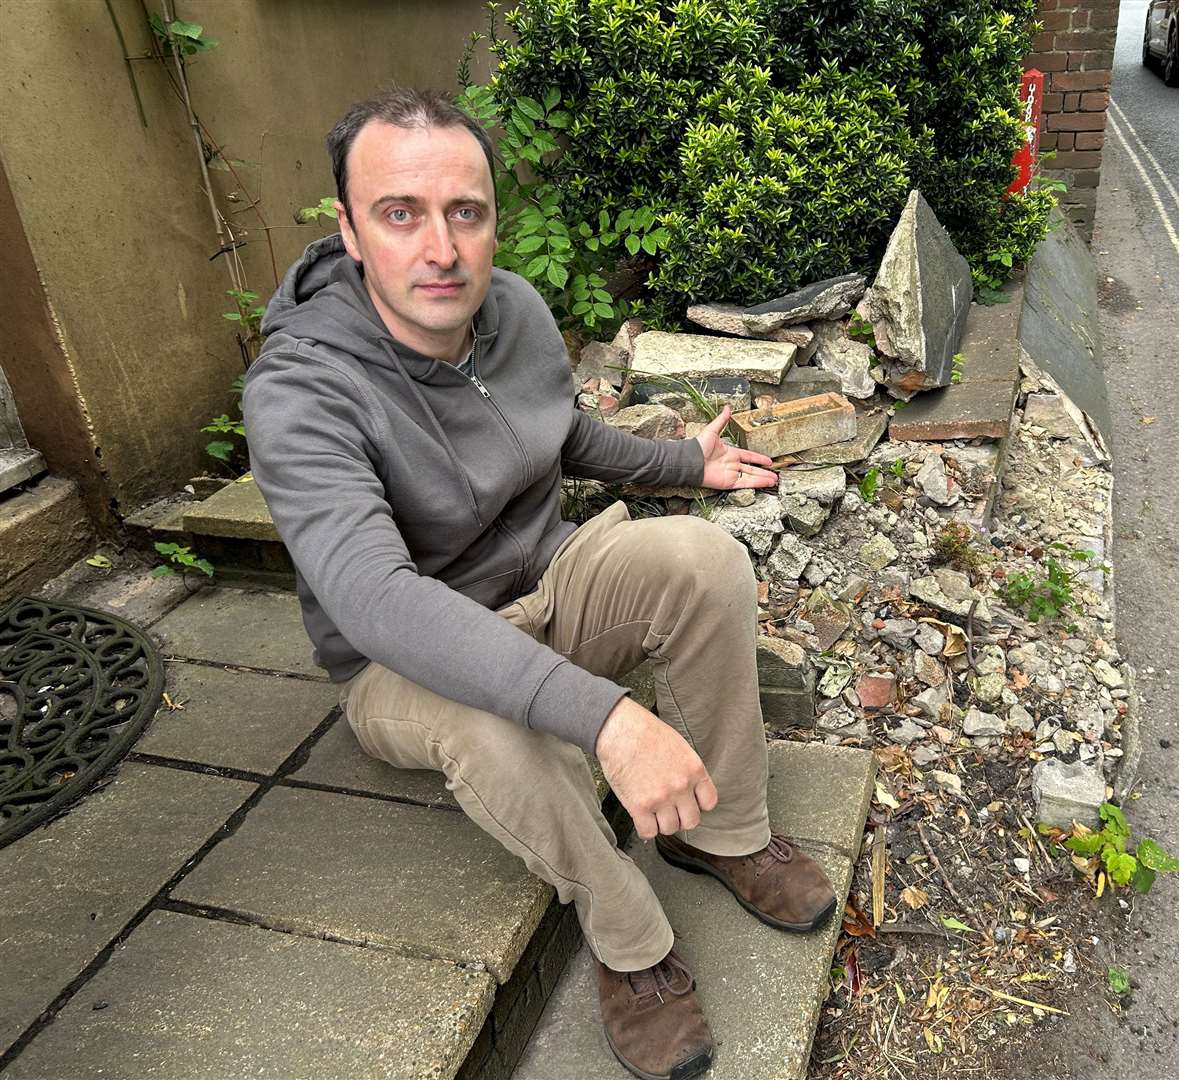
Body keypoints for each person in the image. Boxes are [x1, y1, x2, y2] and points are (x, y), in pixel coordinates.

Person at [242, 88, 837, 1080]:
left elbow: (563, 434)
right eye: (401, 213)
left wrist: (686, 464)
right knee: (494, 728)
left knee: (702, 559)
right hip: (399, 659)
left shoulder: (510, 307)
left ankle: (724, 834)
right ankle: (631, 945)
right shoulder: (300, 390)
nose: (442, 248)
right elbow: (376, 598)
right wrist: (608, 720)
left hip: (542, 578)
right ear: (348, 230)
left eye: (464, 212)